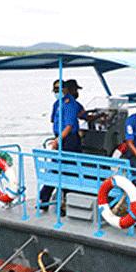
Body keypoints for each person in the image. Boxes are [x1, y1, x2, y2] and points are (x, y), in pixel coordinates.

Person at [39, 79, 84, 210]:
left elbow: (70, 125)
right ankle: (49, 198)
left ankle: (63, 199)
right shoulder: (58, 103)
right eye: (55, 90)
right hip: (62, 139)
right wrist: (58, 140)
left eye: (59, 90)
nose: (57, 92)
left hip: (69, 140)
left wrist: (58, 140)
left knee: (68, 169)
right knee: (60, 169)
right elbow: (55, 121)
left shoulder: (70, 104)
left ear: (65, 89)